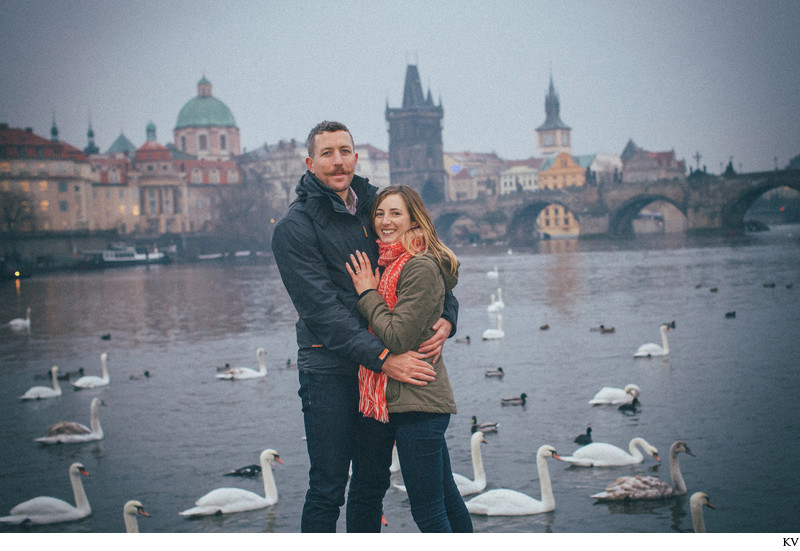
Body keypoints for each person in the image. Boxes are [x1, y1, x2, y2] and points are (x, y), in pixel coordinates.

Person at [271, 121, 458, 532]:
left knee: (372, 483)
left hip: (380, 372)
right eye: (327, 153)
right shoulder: (294, 228)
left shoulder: (379, 205)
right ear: (310, 162)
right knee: (328, 487)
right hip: (331, 369)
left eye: (344, 151)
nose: (338, 161)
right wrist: (385, 358)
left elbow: (425, 262)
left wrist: (449, 315)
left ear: (356, 157)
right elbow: (322, 312)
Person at [346, 185, 472, 533]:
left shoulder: (415, 266)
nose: (385, 221)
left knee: (429, 513)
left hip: (418, 400)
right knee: (445, 499)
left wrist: (368, 293)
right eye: (380, 213)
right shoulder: (390, 261)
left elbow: (398, 336)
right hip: (404, 399)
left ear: (414, 219)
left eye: (396, 213)